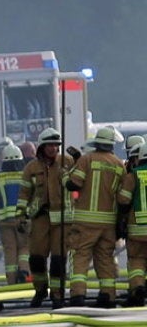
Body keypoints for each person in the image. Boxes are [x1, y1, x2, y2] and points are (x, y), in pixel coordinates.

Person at [63, 126, 125, 308]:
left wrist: (67, 173)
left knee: (80, 256)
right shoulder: (119, 165)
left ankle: (78, 295)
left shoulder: (87, 159)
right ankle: (108, 296)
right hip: (108, 223)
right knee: (105, 258)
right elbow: (123, 196)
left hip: (85, 222)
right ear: (112, 144)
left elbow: (73, 184)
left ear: (97, 142)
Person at [16, 128, 76, 308]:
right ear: (42, 146)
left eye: (57, 145)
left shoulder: (67, 162)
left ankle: (57, 295)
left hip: (62, 220)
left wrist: (79, 158)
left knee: (58, 260)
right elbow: (24, 193)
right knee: (36, 258)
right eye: (50, 145)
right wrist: (20, 215)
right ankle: (40, 290)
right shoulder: (31, 168)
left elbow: (81, 177)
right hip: (40, 217)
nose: (54, 149)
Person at [0, 144, 30, 285]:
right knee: (24, 247)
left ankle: (11, 282)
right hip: (23, 220)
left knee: (10, 250)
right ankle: (24, 272)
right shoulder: (26, 176)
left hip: (4, 221)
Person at [118, 140, 147, 307]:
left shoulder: (133, 176)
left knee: (136, 261)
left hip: (137, 231)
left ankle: (137, 289)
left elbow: (123, 200)